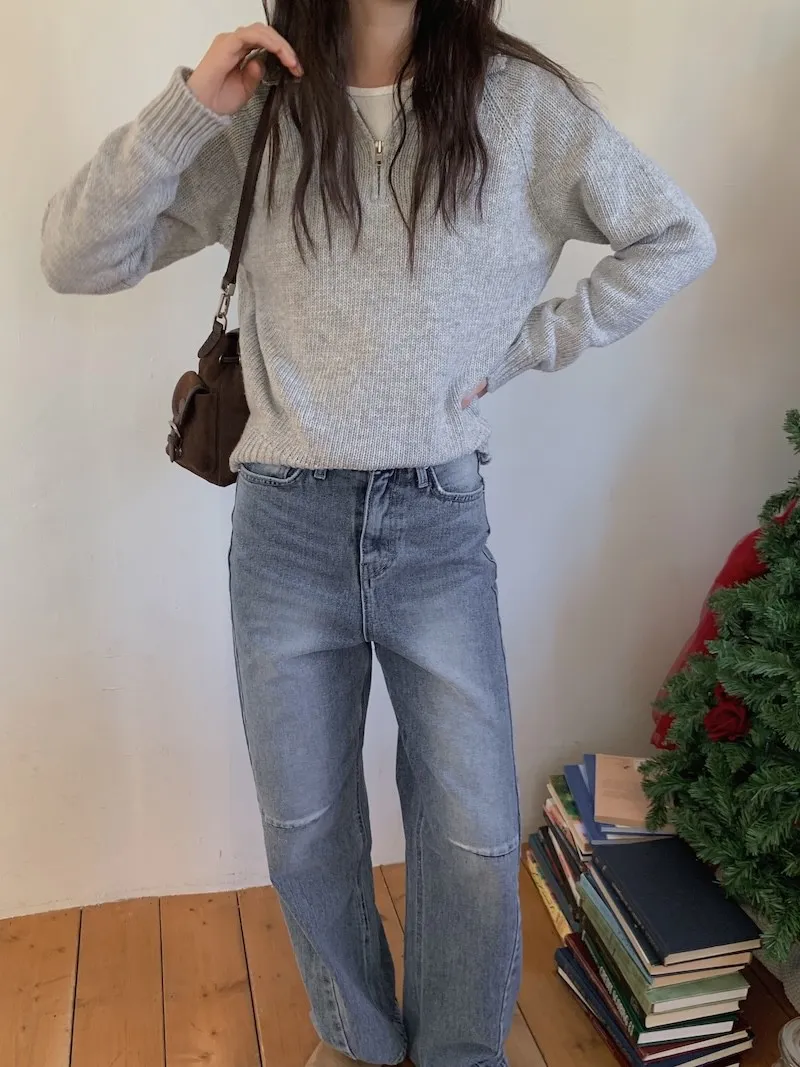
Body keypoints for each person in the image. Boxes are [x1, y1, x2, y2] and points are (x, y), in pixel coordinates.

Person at [40, 1, 715, 1064]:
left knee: (475, 833)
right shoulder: (258, 112)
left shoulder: (518, 105)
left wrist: (531, 344)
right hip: (285, 528)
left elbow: (675, 235)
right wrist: (187, 109)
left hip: (436, 521)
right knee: (304, 825)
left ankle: (457, 1051)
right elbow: (77, 256)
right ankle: (355, 1041)